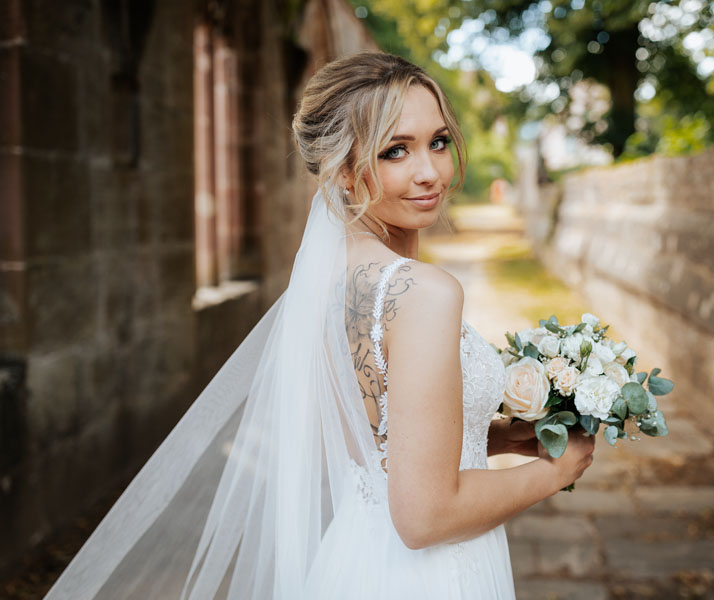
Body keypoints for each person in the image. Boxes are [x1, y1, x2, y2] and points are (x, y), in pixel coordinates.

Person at [45, 52, 595, 600]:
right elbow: (425, 516)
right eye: (395, 151)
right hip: (431, 577)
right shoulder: (425, 293)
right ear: (344, 170)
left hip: (357, 559)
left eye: (439, 141)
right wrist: (555, 471)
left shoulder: (328, 284)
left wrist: (493, 435)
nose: (430, 171)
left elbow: (375, 436)